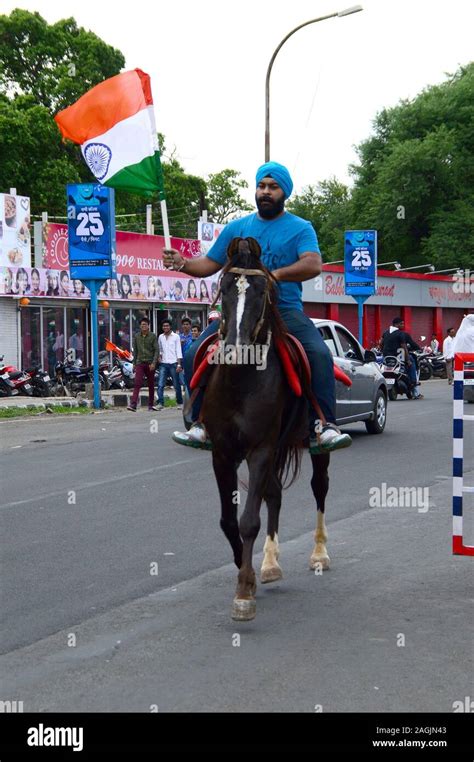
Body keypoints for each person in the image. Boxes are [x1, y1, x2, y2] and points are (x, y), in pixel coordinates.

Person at [163, 161, 351, 451]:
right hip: (239, 312)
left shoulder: (301, 228)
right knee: (192, 354)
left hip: (284, 310)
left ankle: (322, 424)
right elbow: (210, 263)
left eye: (273, 187)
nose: (266, 192)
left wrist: (275, 276)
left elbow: (313, 263)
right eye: (261, 186)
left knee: (318, 353)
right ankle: (200, 421)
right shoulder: (237, 227)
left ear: (284, 192)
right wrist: (184, 263)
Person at [127, 317, 159, 411]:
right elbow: (135, 350)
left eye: (145, 324)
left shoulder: (152, 336)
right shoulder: (137, 336)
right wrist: (134, 363)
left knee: (151, 384)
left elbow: (156, 350)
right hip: (140, 363)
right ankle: (133, 404)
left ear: (148, 326)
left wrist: (154, 362)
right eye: (142, 325)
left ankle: (150, 405)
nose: (143, 326)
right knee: (137, 383)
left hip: (150, 363)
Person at [157, 320, 183, 411]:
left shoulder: (176, 337)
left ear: (170, 327)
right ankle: (160, 403)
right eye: (164, 326)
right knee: (160, 384)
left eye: (167, 326)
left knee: (176, 384)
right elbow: (160, 348)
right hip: (164, 363)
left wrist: (179, 364)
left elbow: (178, 350)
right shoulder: (161, 337)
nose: (165, 327)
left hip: (174, 363)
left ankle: (180, 402)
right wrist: (159, 356)